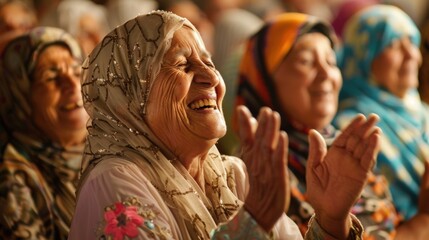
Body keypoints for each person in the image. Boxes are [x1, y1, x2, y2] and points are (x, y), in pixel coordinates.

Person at [69, 10, 381, 239]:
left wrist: (329, 220)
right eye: (182, 64)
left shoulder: (234, 177)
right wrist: (251, 222)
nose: (211, 77)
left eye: (209, 61)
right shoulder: (114, 182)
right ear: (130, 97)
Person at [234, 11, 429, 239]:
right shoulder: (255, 173)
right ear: (263, 78)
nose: (326, 73)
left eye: (331, 60)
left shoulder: (345, 146)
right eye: (306, 61)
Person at [333, 4, 429, 220]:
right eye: (394, 44)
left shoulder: (422, 114)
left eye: (412, 42)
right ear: (365, 56)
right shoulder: (351, 128)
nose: (411, 54)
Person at [0, 26, 89, 239]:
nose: (72, 84)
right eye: (51, 77)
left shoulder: (110, 147)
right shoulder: (12, 177)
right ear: (21, 96)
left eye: (77, 72)